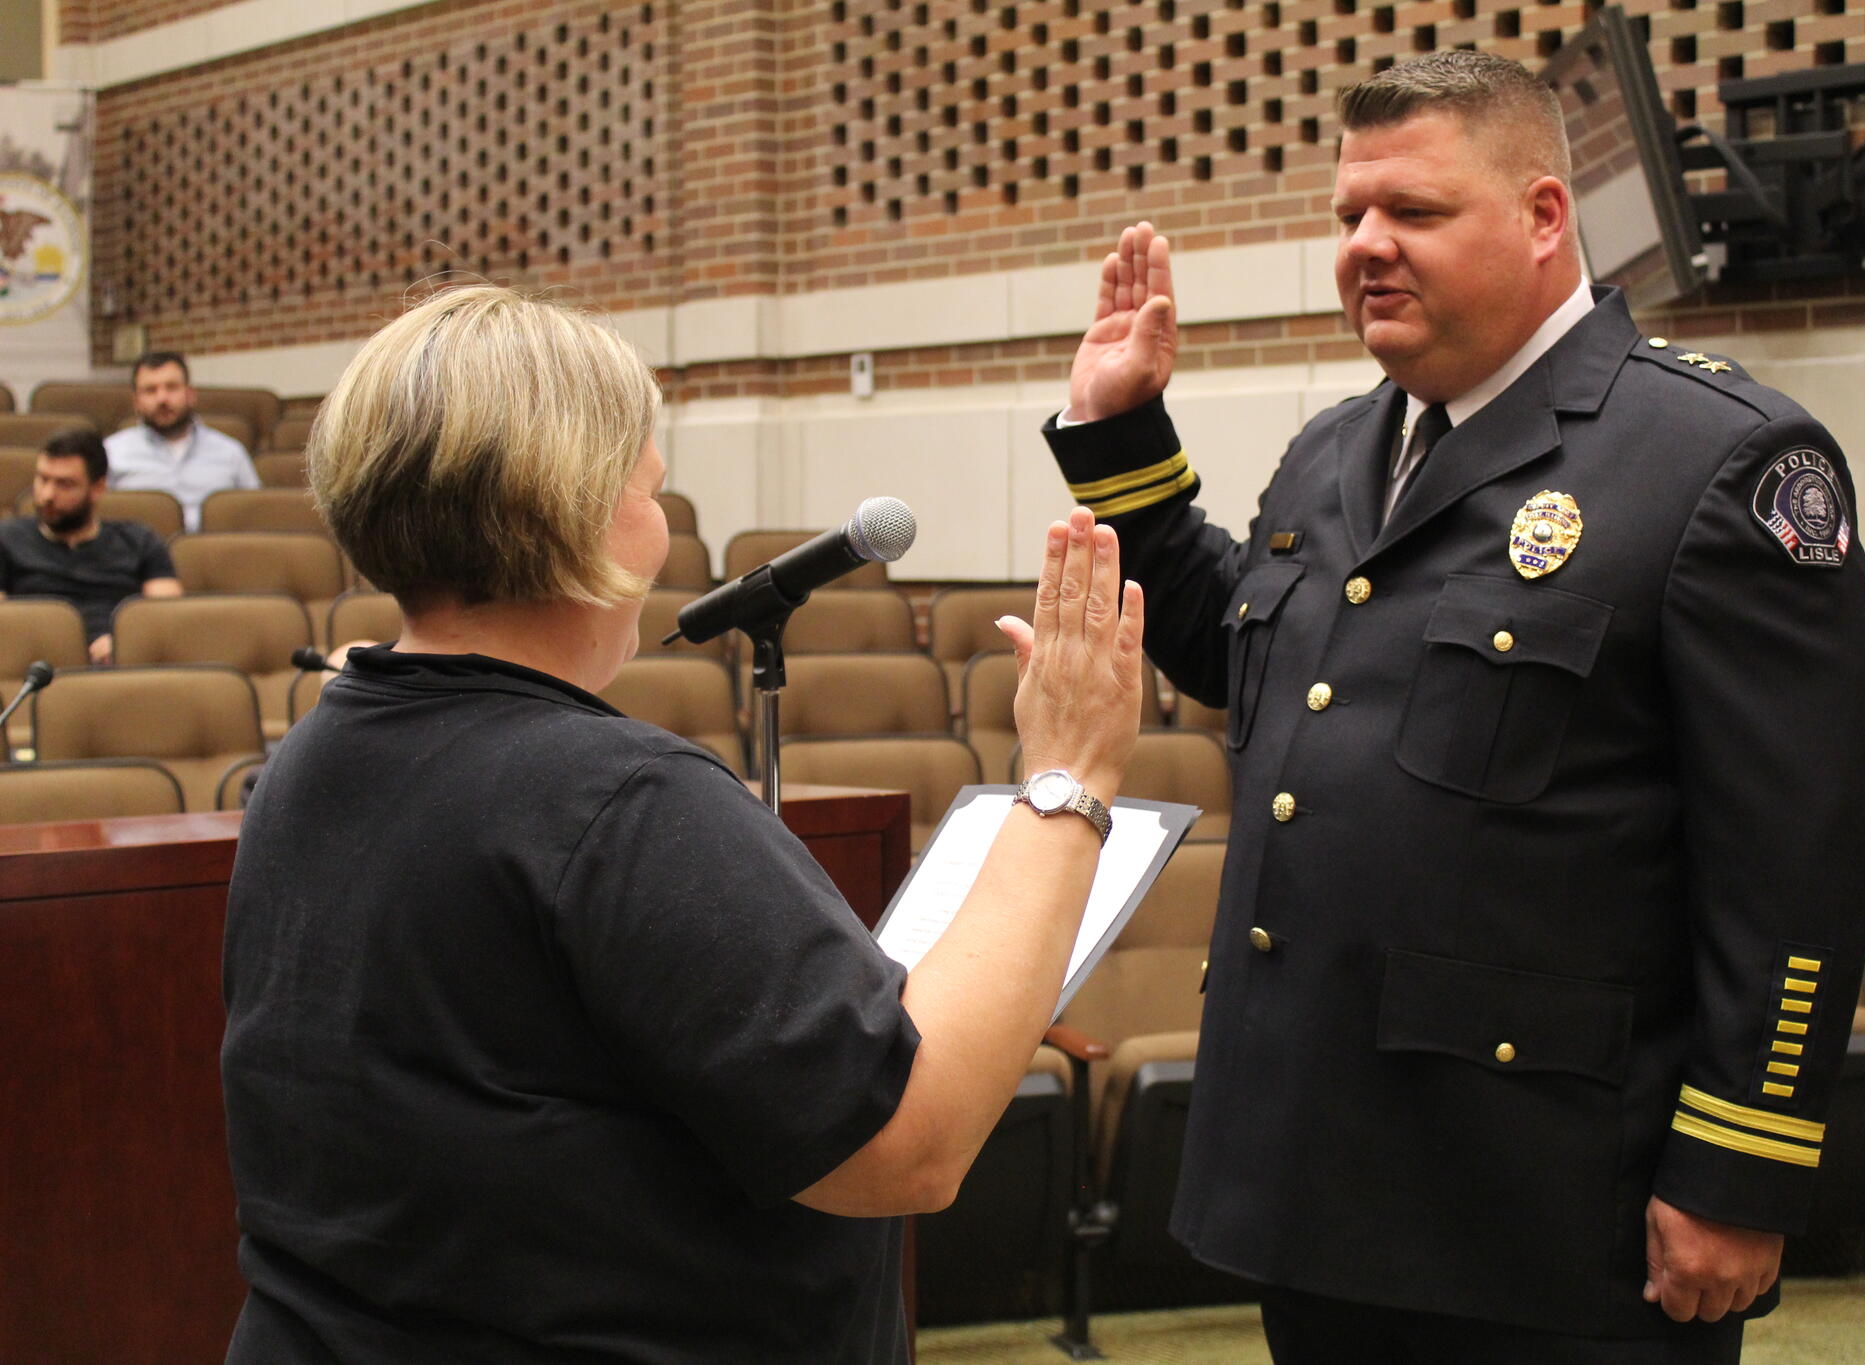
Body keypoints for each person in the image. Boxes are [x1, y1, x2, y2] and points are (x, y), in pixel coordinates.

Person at [1042, 52, 1865, 1363]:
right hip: (1315, 1177)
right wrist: (1124, 441)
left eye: (1414, 213)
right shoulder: (1340, 446)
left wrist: (1742, 1166)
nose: (1367, 246)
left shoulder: (1713, 463)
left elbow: (1798, 864)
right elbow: (1251, 660)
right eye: (1348, 217)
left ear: (1546, 217)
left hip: (1540, 1211)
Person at [219, 284, 1146, 1363]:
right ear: (572, 509)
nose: (660, 533)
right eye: (649, 490)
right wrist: (1067, 780)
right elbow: (907, 1144)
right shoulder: (613, 802)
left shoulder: (316, 753)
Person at [0, 428, 181, 663]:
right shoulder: (6, 538)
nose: (47, 495)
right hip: (34, 663)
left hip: (118, 665)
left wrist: (126, 642)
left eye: (64, 484)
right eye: (43, 479)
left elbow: (167, 616)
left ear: (97, 488)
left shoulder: (139, 541)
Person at [104, 350, 259, 531]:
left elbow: (253, 516)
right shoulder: (111, 452)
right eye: (150, 390)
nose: (162, 399)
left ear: (190, 395)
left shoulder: (231, 452)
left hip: (213, 555)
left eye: (171, 387)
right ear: (136, 402)